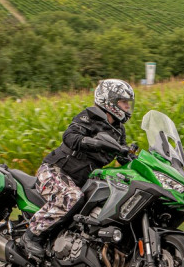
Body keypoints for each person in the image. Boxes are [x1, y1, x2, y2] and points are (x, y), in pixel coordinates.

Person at [18, 79, 136, 257]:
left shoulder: (118, 130)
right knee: (71, 197)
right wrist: (94, 142)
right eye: (123, 102)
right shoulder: (90, 116)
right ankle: (30, 237)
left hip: (82, 180)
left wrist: (133, 157)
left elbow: (122, 156)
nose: (127, 106)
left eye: (128, 102)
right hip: (54, 172)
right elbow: (70, 136)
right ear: (109, 101)